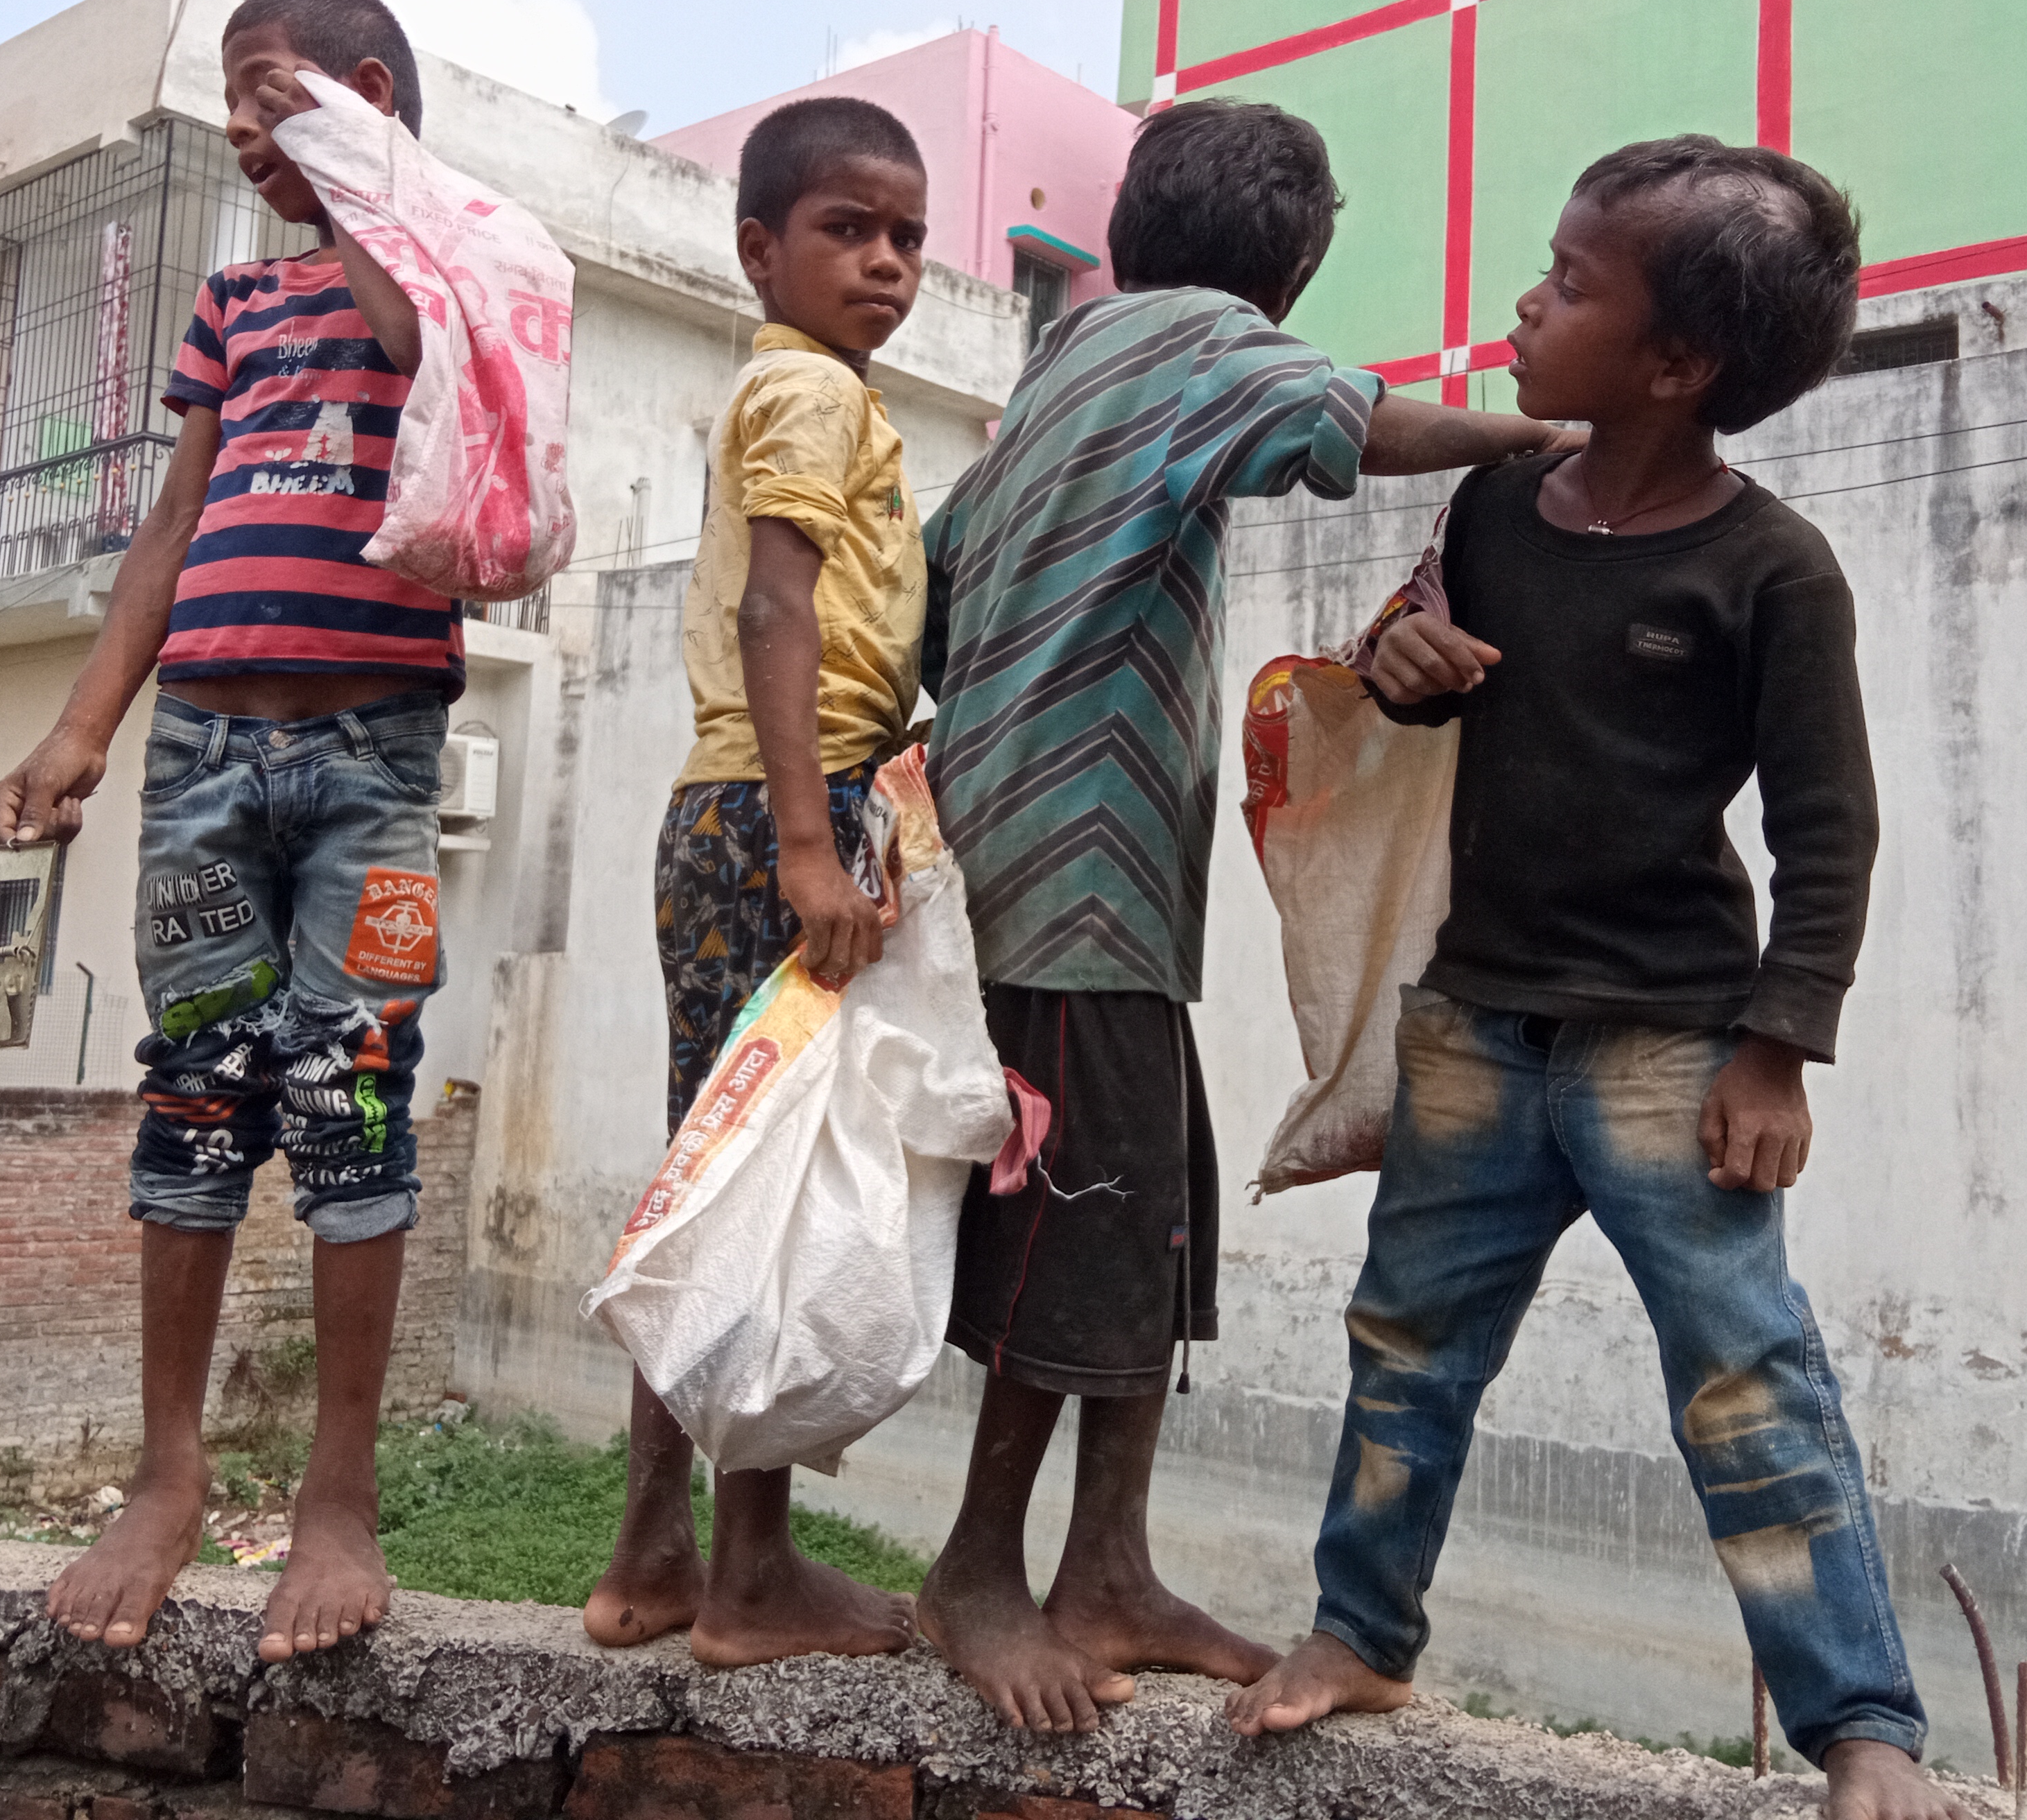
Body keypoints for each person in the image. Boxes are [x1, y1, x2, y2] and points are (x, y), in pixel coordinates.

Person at [1224, 136, 1958, 1820]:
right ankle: (1359, 1633)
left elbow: (1828, 829)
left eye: (1566, 282)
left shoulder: (1770, 571)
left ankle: (1865, 1730)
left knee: (1745, 1377)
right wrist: (1397, 668)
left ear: (1674, 364)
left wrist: (1778, 1050)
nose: (1524, 301)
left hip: (1669, 1048)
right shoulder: (1490, 505)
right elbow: (1404, 670)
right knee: (1406, 1343)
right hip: (1477, 1020)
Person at [914, 97, 1577, 1733]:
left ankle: (1112, 1569)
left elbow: (937, 586)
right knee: (1072, 1210)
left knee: (1148, 1212)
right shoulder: (1200, 343)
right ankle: (981, 1574)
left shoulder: (1064, 365)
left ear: (1132, 222)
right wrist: (1531, 442)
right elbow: (1351, 419)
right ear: (1288, 270)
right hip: (1065, 878)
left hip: (1065, 872)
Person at [0, 0, 490, 1665]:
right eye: (231, 104)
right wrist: (80, 728)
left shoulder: (437, 270)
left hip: (373, 766)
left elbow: (434, 361)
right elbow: (171, 531)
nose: (237, 132)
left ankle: (338, 1498)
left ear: (357, 98)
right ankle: (168, 1471)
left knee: (353, 1101)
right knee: (197, 1095)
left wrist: (354, 171)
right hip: (203, 755)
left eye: (262, 98)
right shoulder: (231, 307)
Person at [582, 96, 933, 1667]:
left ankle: (652, 1559)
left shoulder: (813, 396)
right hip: (774, 814)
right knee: (767, 1202)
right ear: (758, 249)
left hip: (744, 807)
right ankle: (752, 1575)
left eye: (906, 237)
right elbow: (774, 616)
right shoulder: (803, 394)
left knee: (711, 1178)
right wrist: (811, 840)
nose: (884, 262)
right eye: (845, 230)